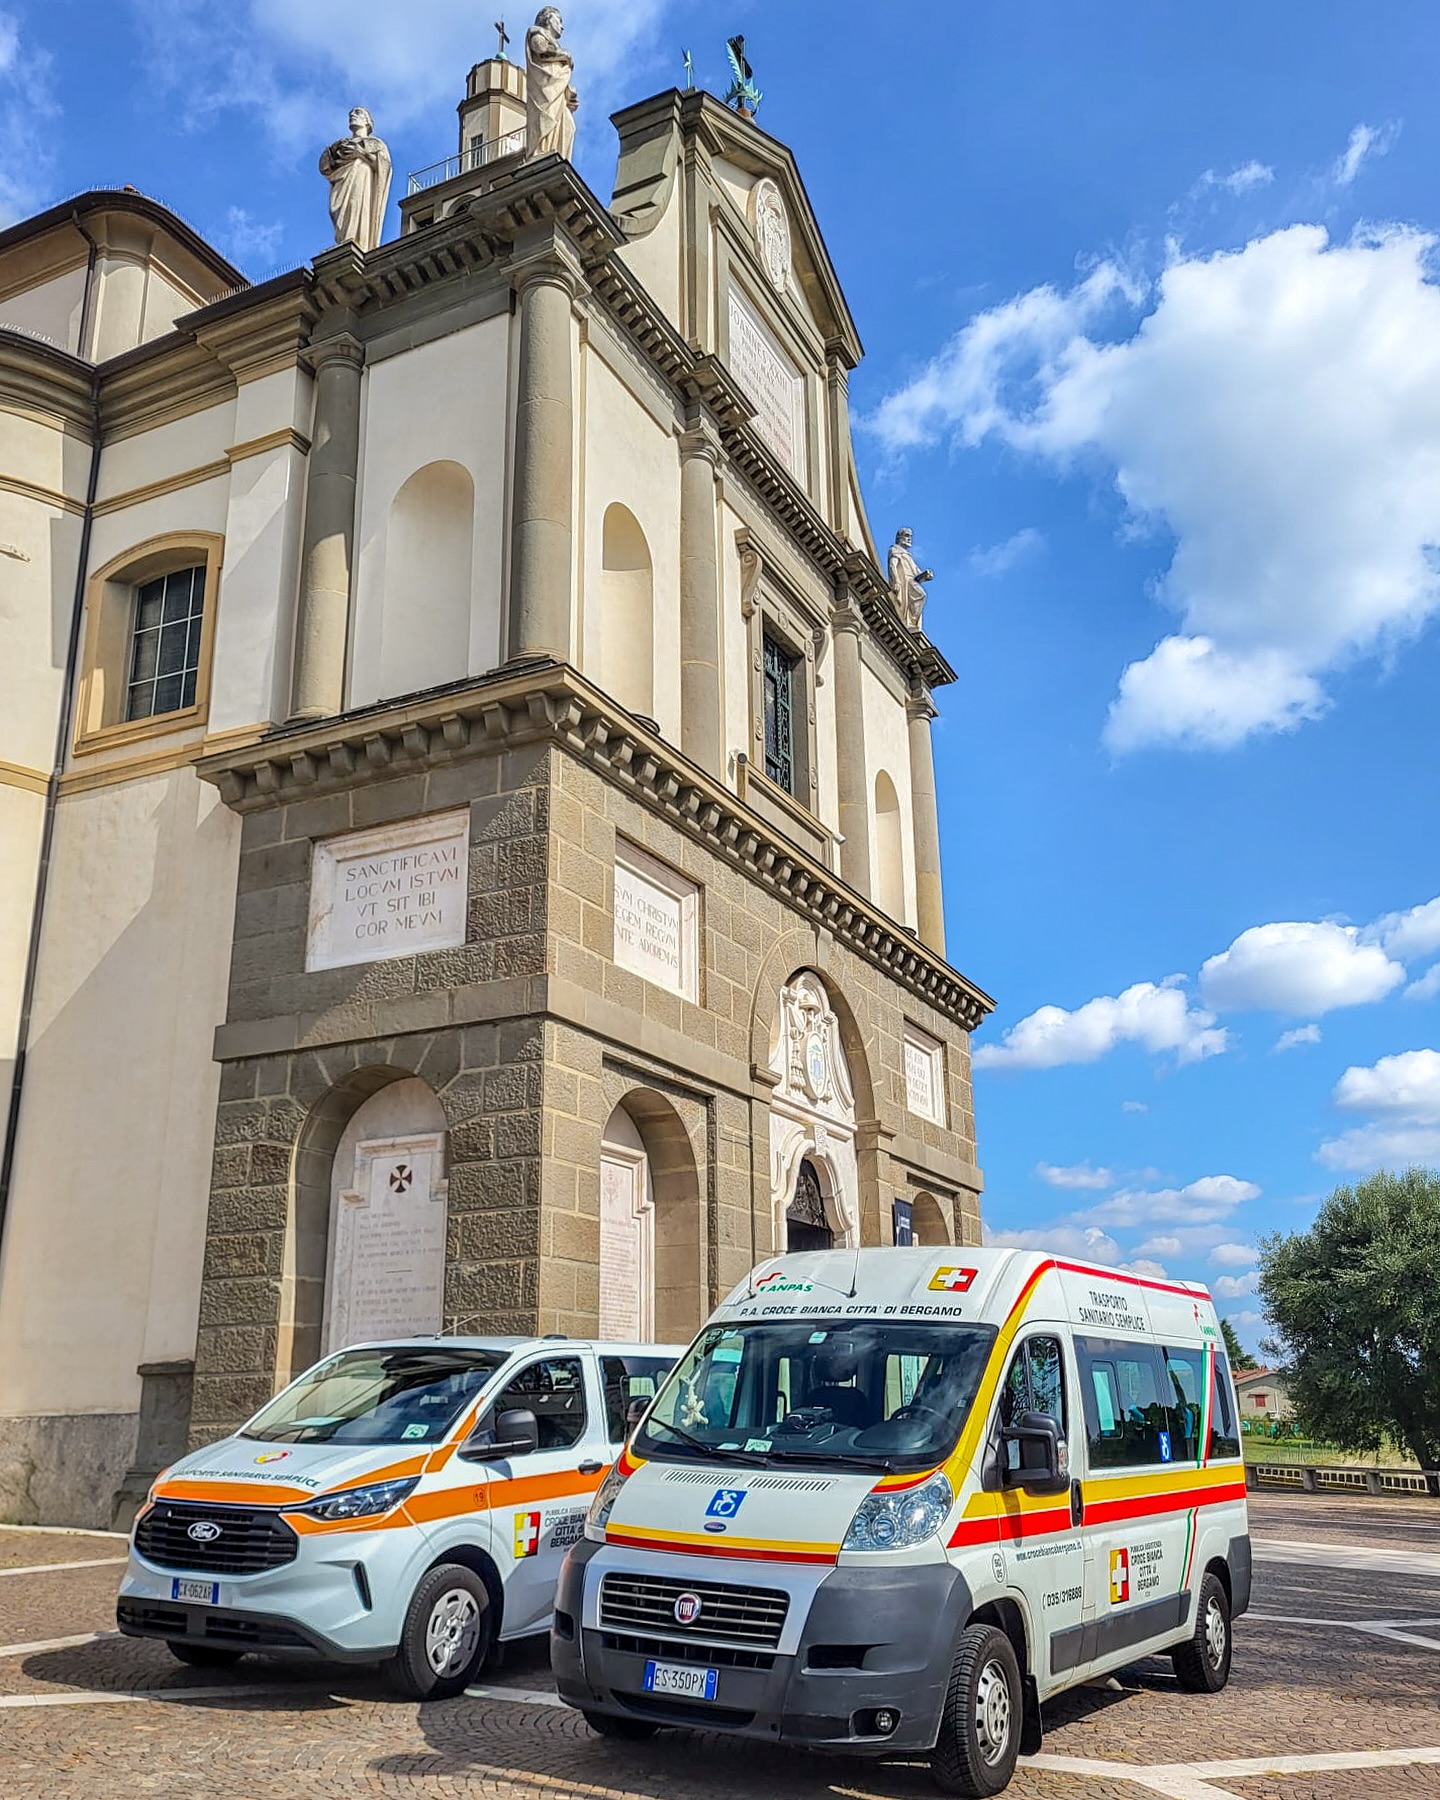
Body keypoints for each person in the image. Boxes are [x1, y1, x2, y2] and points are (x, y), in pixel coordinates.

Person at [319, 108, 392, 252]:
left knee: (357, 205)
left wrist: (362, 153)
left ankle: (358, 242)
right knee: (341, 213)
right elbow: (326, 167)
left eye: (358, 113)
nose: (352, 115)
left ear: (367, 122)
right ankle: (344, 239)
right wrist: (330, 151)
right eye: (351, 113)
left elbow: (384, 167)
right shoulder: (342, 145)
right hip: (342, 181)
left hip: (362, 177)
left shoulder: (375, 144)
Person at [526, 8, 578, 160]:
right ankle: (541, 151)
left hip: (557, 93)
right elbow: (541, 49)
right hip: (544, 92)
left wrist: (569, 95)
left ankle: (559, 156)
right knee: (545, 123)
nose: (562, 26)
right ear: (548, 19)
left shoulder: (555, 45)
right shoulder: (536, 33)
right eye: (559, 21)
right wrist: (564, 55)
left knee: (569, 126)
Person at [888, 527, 933, 633]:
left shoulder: (908, 555)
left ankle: (912, 622)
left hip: (911, 581)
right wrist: (896, 581)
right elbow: (892, 566)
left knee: (920, 596)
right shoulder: (895, 549)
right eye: (907, 536)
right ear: (899, 537)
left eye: (910, 536)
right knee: (921, 595)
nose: (909, 539)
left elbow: (916, 572)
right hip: (904, 581)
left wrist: (925, 575)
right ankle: (909, 621)